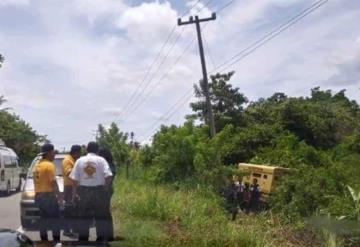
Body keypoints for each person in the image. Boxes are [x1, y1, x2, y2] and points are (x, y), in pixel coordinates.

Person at [70, 142, 113, 242]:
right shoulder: (101, 160)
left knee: (84, 217)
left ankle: (83, 238)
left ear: (86, 150)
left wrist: (74, 194)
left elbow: (74, 179)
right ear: (97, 150)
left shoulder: (79, 161)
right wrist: (105, 189)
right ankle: (100, 239)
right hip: (98, 191)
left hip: (83, 192)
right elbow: (108, 176)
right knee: (100, 216)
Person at [33, 143, 62, 241]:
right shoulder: (49, 165)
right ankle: (56, 240)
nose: (54, 154)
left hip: (38, 196)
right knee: (55, 220)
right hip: (48, 197)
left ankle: (44, 241)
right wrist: (59, 197)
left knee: (43, 219)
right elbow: (53, 183)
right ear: (49, 153)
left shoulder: (37, 166)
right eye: (53, 152)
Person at [61, 145, 82, 238]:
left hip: (73, 187)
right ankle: (66, 230)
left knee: (75, 209)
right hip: (69, 187)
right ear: (75, 152)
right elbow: (69, 173)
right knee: (69, 209)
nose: (80, 155)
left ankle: (74, 229)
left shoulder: (73, 160)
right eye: (79, 153)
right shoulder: (67, 160)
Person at [98, 147, 116, 241]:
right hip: (107, 190)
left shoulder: (107, 165)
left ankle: (106, 235)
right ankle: (108, 235)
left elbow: (109, 178)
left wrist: (103, 189)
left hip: (106, 190)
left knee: (104, 212)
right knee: (105, 212)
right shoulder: (110, 163)